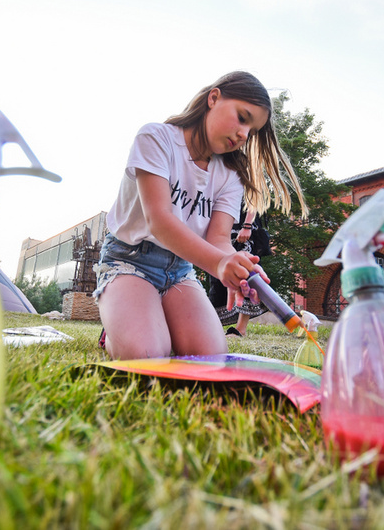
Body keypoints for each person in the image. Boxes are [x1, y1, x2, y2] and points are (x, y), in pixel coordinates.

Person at [93, 71, 307, 360]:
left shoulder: (231, 175)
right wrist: (220, 264)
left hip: (181, 270)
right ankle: (118, 326)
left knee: (211, 357)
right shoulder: (156, 138)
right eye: (242, 118)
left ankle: (147, 317)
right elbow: (160, 220)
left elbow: (219, 238)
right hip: (130, 259)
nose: (244, 134)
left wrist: (238, 266)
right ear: (214, 98)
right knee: (146, 355)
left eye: (252, 131)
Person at [208, 206, 272, 337]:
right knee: (218, 273)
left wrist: (247, 225)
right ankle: (214, 327)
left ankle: (240, 329)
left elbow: (255, 196)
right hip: (226, 224)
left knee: (246, 274)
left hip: (243, 226)